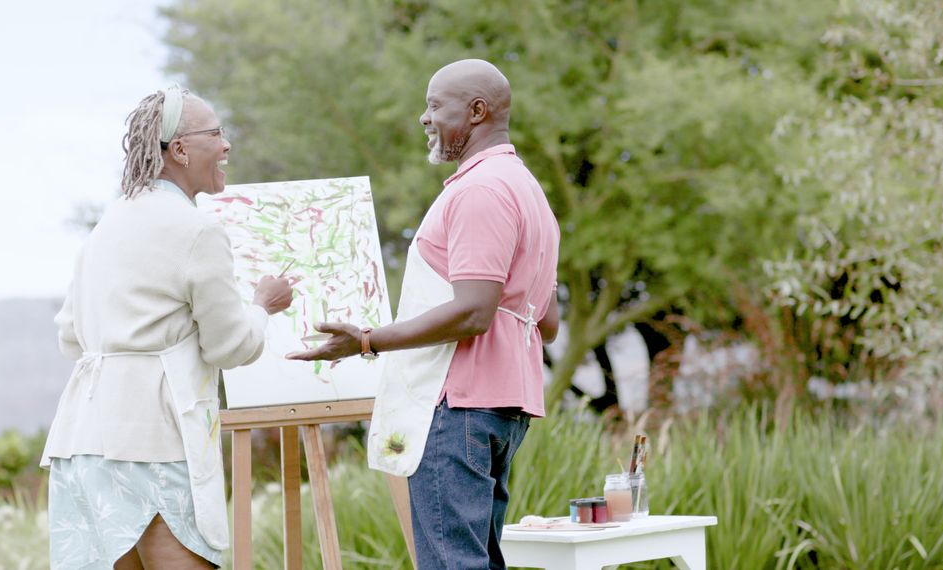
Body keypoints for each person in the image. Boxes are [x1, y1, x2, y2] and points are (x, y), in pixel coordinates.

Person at [287, 59, 560, 569]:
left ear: (477, 111)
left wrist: (367, 340)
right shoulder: (528, 190)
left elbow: (475, 312)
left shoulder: (481, 189)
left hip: (459, 406)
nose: (423, 118)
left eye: (435, 105)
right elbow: (547, 322)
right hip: (503, 406)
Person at [40, 86, 294, 569]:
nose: (226, 145)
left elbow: (70, 337)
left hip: (82, 439)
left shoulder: (105, 226)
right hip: (153, 439)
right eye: (217, 134)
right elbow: (230, 345)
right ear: (179, 149)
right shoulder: (197, 230)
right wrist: (262, 305)